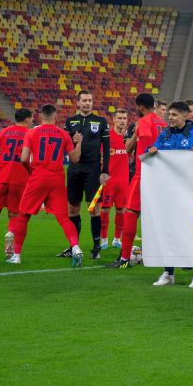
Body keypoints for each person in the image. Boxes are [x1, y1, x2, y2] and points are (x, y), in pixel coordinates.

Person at [6, 105, 84, 267]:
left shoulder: (31, 132)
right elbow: (75, 159)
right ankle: (76, 248)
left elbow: (23, 158)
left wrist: (31, 171)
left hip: (38, 177)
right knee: (63, 218)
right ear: (55, 116)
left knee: (23, 215)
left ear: (40, 115)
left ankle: (17, 255)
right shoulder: (63, 134)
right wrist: (79, 143)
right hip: (57, 180)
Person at [147, 102, 193, 288]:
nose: (170, 117)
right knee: (169, 231)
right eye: (169, 114)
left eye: (174, 115)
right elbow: (149, 152)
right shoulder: (164, 135)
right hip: (169, 193)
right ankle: (168, 272)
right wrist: (151, 151)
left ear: (185, 116)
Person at [106, 94, 165, 269]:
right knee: (157, 217)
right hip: (161, 176)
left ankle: (124, 259)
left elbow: (147, 147)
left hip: (144, 173)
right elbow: (128, 149)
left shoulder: (144, 122)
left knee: (130, 212)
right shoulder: (162, 123)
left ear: (140, 107)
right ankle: (159, 256)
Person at [59, 90, 110, 259]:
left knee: (93, 207)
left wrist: (105, 171)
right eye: (84, 101)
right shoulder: (70, 121)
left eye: (90, 100)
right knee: (72, 208)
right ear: (78, 103)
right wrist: (73, 141)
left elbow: (107, 149)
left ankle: (96, 247)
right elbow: (64, 145)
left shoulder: (101, 121)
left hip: (93, 169)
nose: (87, 103)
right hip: (74, 168)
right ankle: (74, 246)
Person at [0, 108, 32, 258]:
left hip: (1, 178)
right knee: (14, 214)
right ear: (27, 119)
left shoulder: (5, 131)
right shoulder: (30, 134)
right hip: (19, 179)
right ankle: (9, 244)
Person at [98, 109, 131, 253]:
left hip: (124, 180)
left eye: (125, 118)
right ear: (114, 120)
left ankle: (117, 239)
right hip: (109, 179)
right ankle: (103, 239)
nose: (122, 121)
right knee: (105, 209)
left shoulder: (128, 139)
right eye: (120, 118)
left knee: (121, 210)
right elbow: (100, 155)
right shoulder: (107, 136)